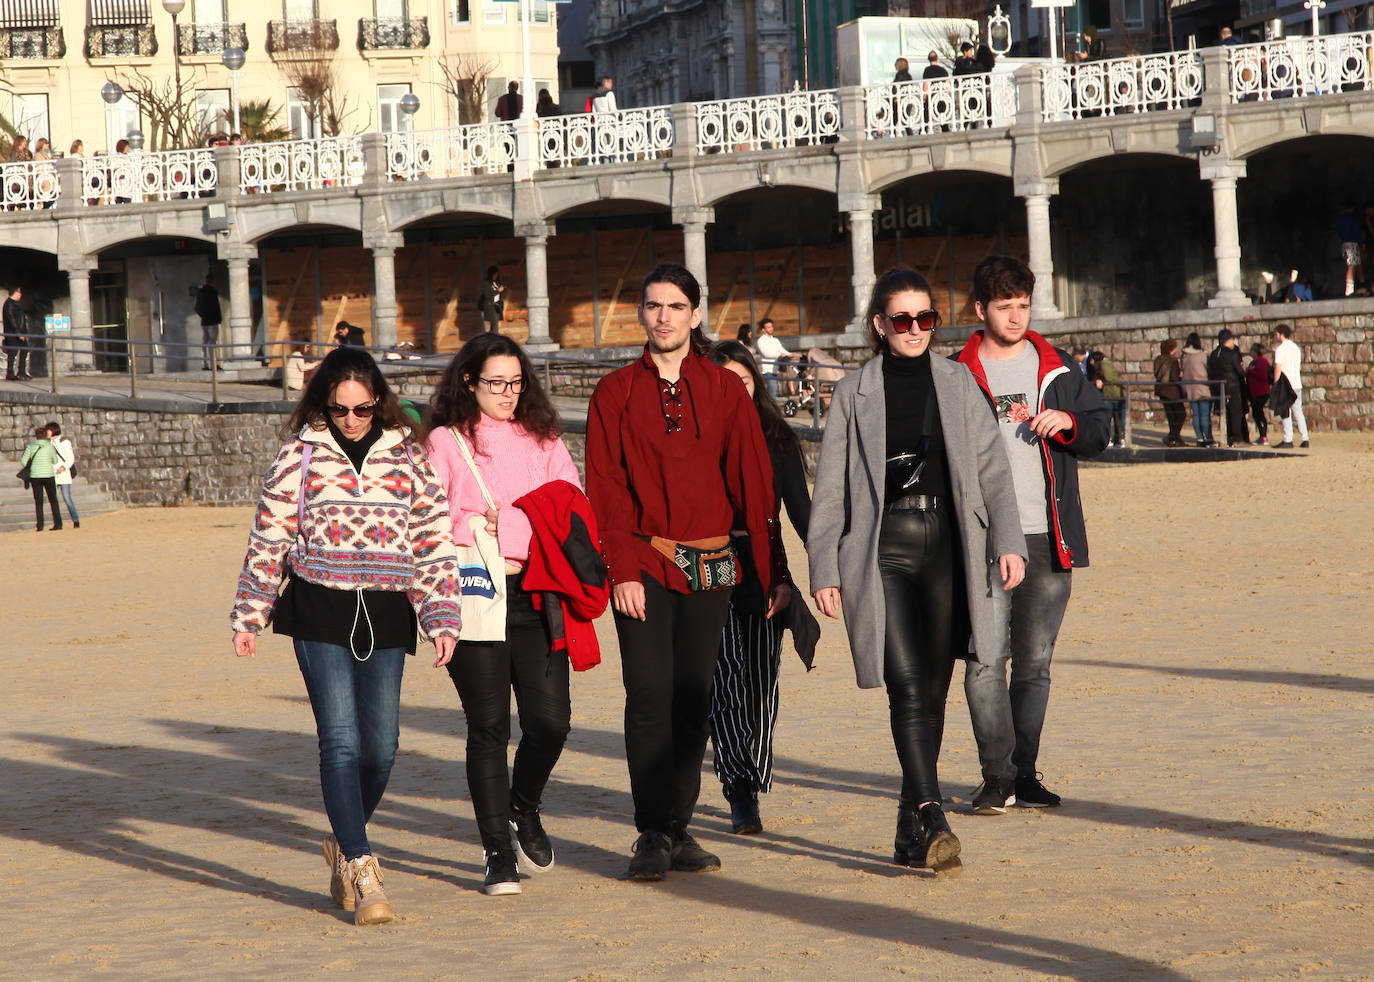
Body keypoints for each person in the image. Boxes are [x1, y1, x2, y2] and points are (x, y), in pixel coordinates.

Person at [230, 346, 462, 926]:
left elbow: (432, 539)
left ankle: (343, 839)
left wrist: (442, 617)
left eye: (361, 409)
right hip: (316, 608)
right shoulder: (297, 457)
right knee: (340, 740)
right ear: (323, 405)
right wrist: (251, 611)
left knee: (381, 747)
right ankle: (362, 866)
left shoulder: (409, 457)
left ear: (379, 401)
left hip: (386, 609)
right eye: (339, 410)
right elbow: (270, 536)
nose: (351, 419)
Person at [809, 267, 1025, 870]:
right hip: (884, 550)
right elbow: (828, 491)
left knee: (933, 695)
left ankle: (910, 831)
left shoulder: (957, 382)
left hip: (950, 548)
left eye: (925, 318)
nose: (914, 330)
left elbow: (993, 471)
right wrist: (823, 566)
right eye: (901, 320)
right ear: (880, 325)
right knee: (905, 686)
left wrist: (1008, 541)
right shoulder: (854, 392)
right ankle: (932, 812)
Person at [585, 263, 783, 882]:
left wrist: (772, 570)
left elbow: (754, 485)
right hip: (642, 560)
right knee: (647, 694)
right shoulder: (615, 392)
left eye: (676, 306)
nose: (664, 316)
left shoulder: (725, 391)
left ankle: (678, 825)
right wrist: (621, 569)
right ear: (641, 315)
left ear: (697, 316)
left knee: (694, 697)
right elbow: (607, 489)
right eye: (653, 306)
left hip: (712, 562)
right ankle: (650, 830)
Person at [424, 333, 585, 896]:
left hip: (540, 597)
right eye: (496, 383)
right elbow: (429, 523)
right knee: (488, 727)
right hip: (472, 595)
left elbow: (570, 513)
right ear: (468, 381)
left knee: (551, 722)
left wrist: (510, 526)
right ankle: (497, 854)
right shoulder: (445, 441)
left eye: (516, 382)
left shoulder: (543, 438)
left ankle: (524, 805)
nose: (508, 393)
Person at [955, 256, 1109, 814]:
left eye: (1023, 305)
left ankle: (1025, 774)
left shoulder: (1059, 369)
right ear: (980, 310)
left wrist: (1069, 424)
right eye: (1004, 306)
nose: (1016, 316)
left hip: (1048, 536)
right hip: (983, 541)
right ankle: (995, 778)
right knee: (983, 662)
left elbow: (1100, 428)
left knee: (1035, 664)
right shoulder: (955, 372)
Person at [705, 341, 817, 836]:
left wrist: (830, 571)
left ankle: (751, 770)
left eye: (743, 382)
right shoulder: (696, 440)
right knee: (720, 681)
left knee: (757, 684)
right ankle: (738, 787)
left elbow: (801, 512)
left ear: (756, 384)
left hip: (762, 567)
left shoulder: (776, 438)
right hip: (704, 563)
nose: (734, 391)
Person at [1208, 329, 1249, 446]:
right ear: (1229, 340)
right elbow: (1240, 372)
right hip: (1233, 386)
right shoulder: (1232, 354)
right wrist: (1244, 370)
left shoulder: (1214, 354)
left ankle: (1228, 436)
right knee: (1236, 412)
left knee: (1225, 413)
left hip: (1218, 387)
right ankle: (1237, 438)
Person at [1271, 324, 1309, 448]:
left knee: (1285, 411)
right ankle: (1305, 437)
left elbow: (1278, 368)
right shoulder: (1295, 348)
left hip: (1286, 384)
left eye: (1276, 334)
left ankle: (1288, 438)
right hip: (1297, 382)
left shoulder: (1281, 349)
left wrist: (1275, 383)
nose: (1275, 336)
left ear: (1281, 334)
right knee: (1298, 411)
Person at [19, 425, 61, 532]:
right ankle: (58, 523)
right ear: (45, 436)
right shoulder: (50, 447)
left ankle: (40, 525)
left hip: (35, 476)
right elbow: (55, 461)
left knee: (38, 501)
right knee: (53, 500)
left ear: (36, 436)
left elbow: (23, 462)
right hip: (48, 475)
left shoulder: (31, 447)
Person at [1180, 332, 1215, 447]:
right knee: (1205, 415)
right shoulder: (1202, 356)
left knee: (1196, 415)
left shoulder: (1184, 356)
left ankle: (1199, 437)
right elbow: (1209, 370)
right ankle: (1208, 437)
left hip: (1190, 388)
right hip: (1203, 387)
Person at [1088, 351, 1126, 447]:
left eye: (1092, 360)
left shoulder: (1105, 364)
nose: (1090, 362)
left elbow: (1111, 378)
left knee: (1115, 419)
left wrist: (1102, 381)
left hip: (1113, 395)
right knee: (1112, 419)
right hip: (1111, 395)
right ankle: (1116, 439)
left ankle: (1118, 439)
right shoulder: (1102, 365)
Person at [46, 420, 80, 529]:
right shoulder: (48, 444)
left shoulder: (65, 442)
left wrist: (63, 467)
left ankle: (75, 519)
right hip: (53, 474)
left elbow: (70, 458)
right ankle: (57, 522)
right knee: (54, 500)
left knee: (67, 498)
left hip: (63, 474)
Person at [1154, 339, 1186, 447]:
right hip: (1172, 391)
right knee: (1181, 414)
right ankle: (1173, 436)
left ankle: (1174, 438)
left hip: (1161, 390)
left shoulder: (1158, 360)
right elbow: (1174, 378)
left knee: (1171, 416)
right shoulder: (1172, 361)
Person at [753, 316, 789, 397]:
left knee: (773, 392)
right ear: (763, 330)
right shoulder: (761, 341)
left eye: (772, 326)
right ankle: (773, 409)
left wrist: (791, 354)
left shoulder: (775, 340)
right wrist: (780, 355)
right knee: (772, 393)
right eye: (768, 327)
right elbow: (767, 354)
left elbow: (782, 350)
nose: (771, 329)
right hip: (767, 371)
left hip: (776, 369)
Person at [195, 273, 222, 371]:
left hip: (205, 321)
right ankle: (213, 364)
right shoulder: (213, 292)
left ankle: (204, 364)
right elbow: (215, 308)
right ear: (213, 281)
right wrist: (216, 317)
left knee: (205, 342)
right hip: (212, 320)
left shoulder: (200, 293)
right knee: (212, 342)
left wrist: (203, 316)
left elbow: (197, 308)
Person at [1246, 343, 1271, 445]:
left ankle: (1263, 436)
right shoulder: (1254, 362)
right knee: (1256, 413)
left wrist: (1251, 371)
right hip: (1255, 392)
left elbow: (1263, 375)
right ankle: (1262, 436)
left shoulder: (1262, 361)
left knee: (1258, 413)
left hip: (1261, 392)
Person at [4, 284, 29, 380]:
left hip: (19, 333)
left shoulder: (15, 304)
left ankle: (21, 372)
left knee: (24, 350)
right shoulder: (9, 304)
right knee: (12, 353)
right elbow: (12, 320)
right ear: (16, 292)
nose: (21, 295)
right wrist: (18, 333)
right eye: (19, 292)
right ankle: (10, 373)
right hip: (13, 334)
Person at [1338, 202, 1362, 297]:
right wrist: (1361, 242)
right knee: (1352, 265)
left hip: (1344, 243)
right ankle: (1349, 290)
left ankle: (1355, 285)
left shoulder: (1340, 218)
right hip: (1352, 243)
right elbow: (1356, 230)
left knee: (1352, 264)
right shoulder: (1351, 218)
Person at [479, 266, 505, 334]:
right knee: (495, 326)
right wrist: (498, 290)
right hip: (490, 307)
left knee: (493, 326)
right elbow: (487, 294)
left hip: (496, 306)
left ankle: (492, 338)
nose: (496, 275)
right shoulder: (486, 283)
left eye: (497, 274)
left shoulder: (495, 282)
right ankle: (495, 340)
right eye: (495, 274)